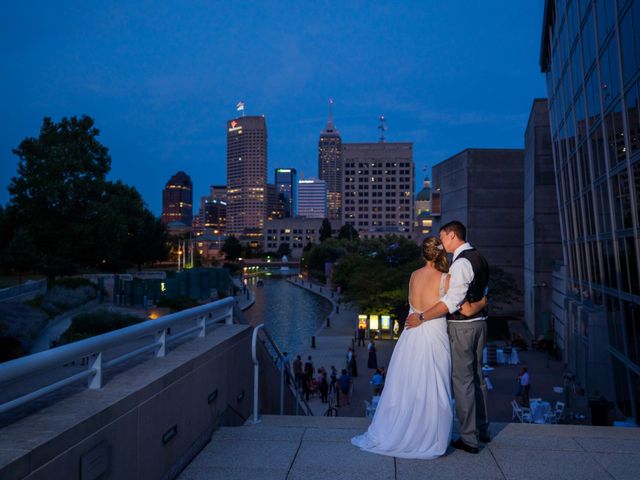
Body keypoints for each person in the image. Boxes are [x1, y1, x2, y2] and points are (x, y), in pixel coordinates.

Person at [352, 236, 486, 459]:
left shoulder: (413, 276)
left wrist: (419, 316)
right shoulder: (446, 278)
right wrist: (482, 302)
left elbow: (411, 303)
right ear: (441, 254)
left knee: (408, 383)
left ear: (424, 254)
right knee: (435, 385)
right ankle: (428, 436)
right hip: (434, 334)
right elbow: (462, 308)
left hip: (411, 333)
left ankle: (403, 429)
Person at [406, 221, 490, 454]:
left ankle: (469, 439)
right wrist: (482, 303)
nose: (441, 243)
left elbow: (456, 305)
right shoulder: (479, 257)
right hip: (480, 326)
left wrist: (421, 317)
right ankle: (482, 429)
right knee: (477, 378)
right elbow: (482, 293)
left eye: (443, 238)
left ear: (452, 235)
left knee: (462, 382)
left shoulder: (461, 264)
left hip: (463, 328)